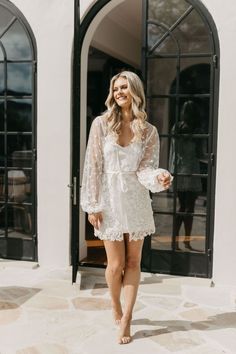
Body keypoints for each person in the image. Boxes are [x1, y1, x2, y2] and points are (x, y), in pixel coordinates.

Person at [80, 71, 172, 344]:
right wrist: (92, 204)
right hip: (108, 201)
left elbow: (145, 170)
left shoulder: (149, 131)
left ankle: (128, 317)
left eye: (124, 87)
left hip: (135, 200)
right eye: (116, 88)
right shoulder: (101, 124)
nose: (119, 92)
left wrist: (160, 177)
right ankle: (115, 304)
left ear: (135, 91)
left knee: (133, 262)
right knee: (115, 264)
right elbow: (93, 166)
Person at [169, 100, 202, 250]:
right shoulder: (196, 130)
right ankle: (185, 241)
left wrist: (171, 171)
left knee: (182, 207)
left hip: (179, 172)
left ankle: (175, 241)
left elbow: (173, 152)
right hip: (192, 171)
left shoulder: (176, 127)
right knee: (190, 208)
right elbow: (200, 154)